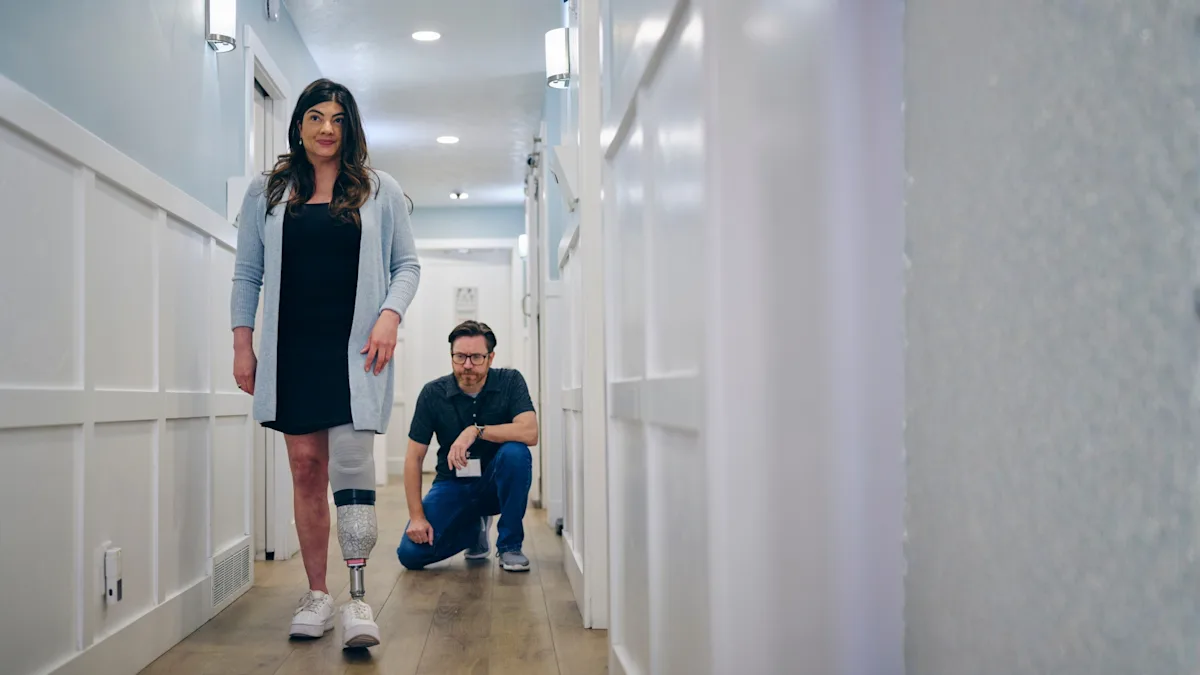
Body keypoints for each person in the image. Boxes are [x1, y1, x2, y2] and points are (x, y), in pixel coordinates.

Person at [229, 78, 420, 649]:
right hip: (292, 352)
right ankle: (317, 594)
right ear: (299, 125)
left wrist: (389, 316)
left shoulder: (379, 189)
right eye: (316, 117)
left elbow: (406, 265)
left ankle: (358, 599)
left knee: (353, 468)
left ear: (350, 127)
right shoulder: (267, 191)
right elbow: (247, 273)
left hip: (356, 352)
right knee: (306, 468)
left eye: (338, 119)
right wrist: (242, 344)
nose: (327, 129)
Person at [397, 321, 538, 572]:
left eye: (476, 357)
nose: (468, 365)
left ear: (490, 357)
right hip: (452, 484)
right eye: (460, 356)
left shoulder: (510, 381)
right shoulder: (432, 393)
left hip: (495, 484)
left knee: (516, 452)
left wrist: (476, 431)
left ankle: (510, 545)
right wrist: (417, 518)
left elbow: (530, 432)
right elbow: (413, 458)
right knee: (410, 554)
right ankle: (473, 531)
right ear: (451, 355)